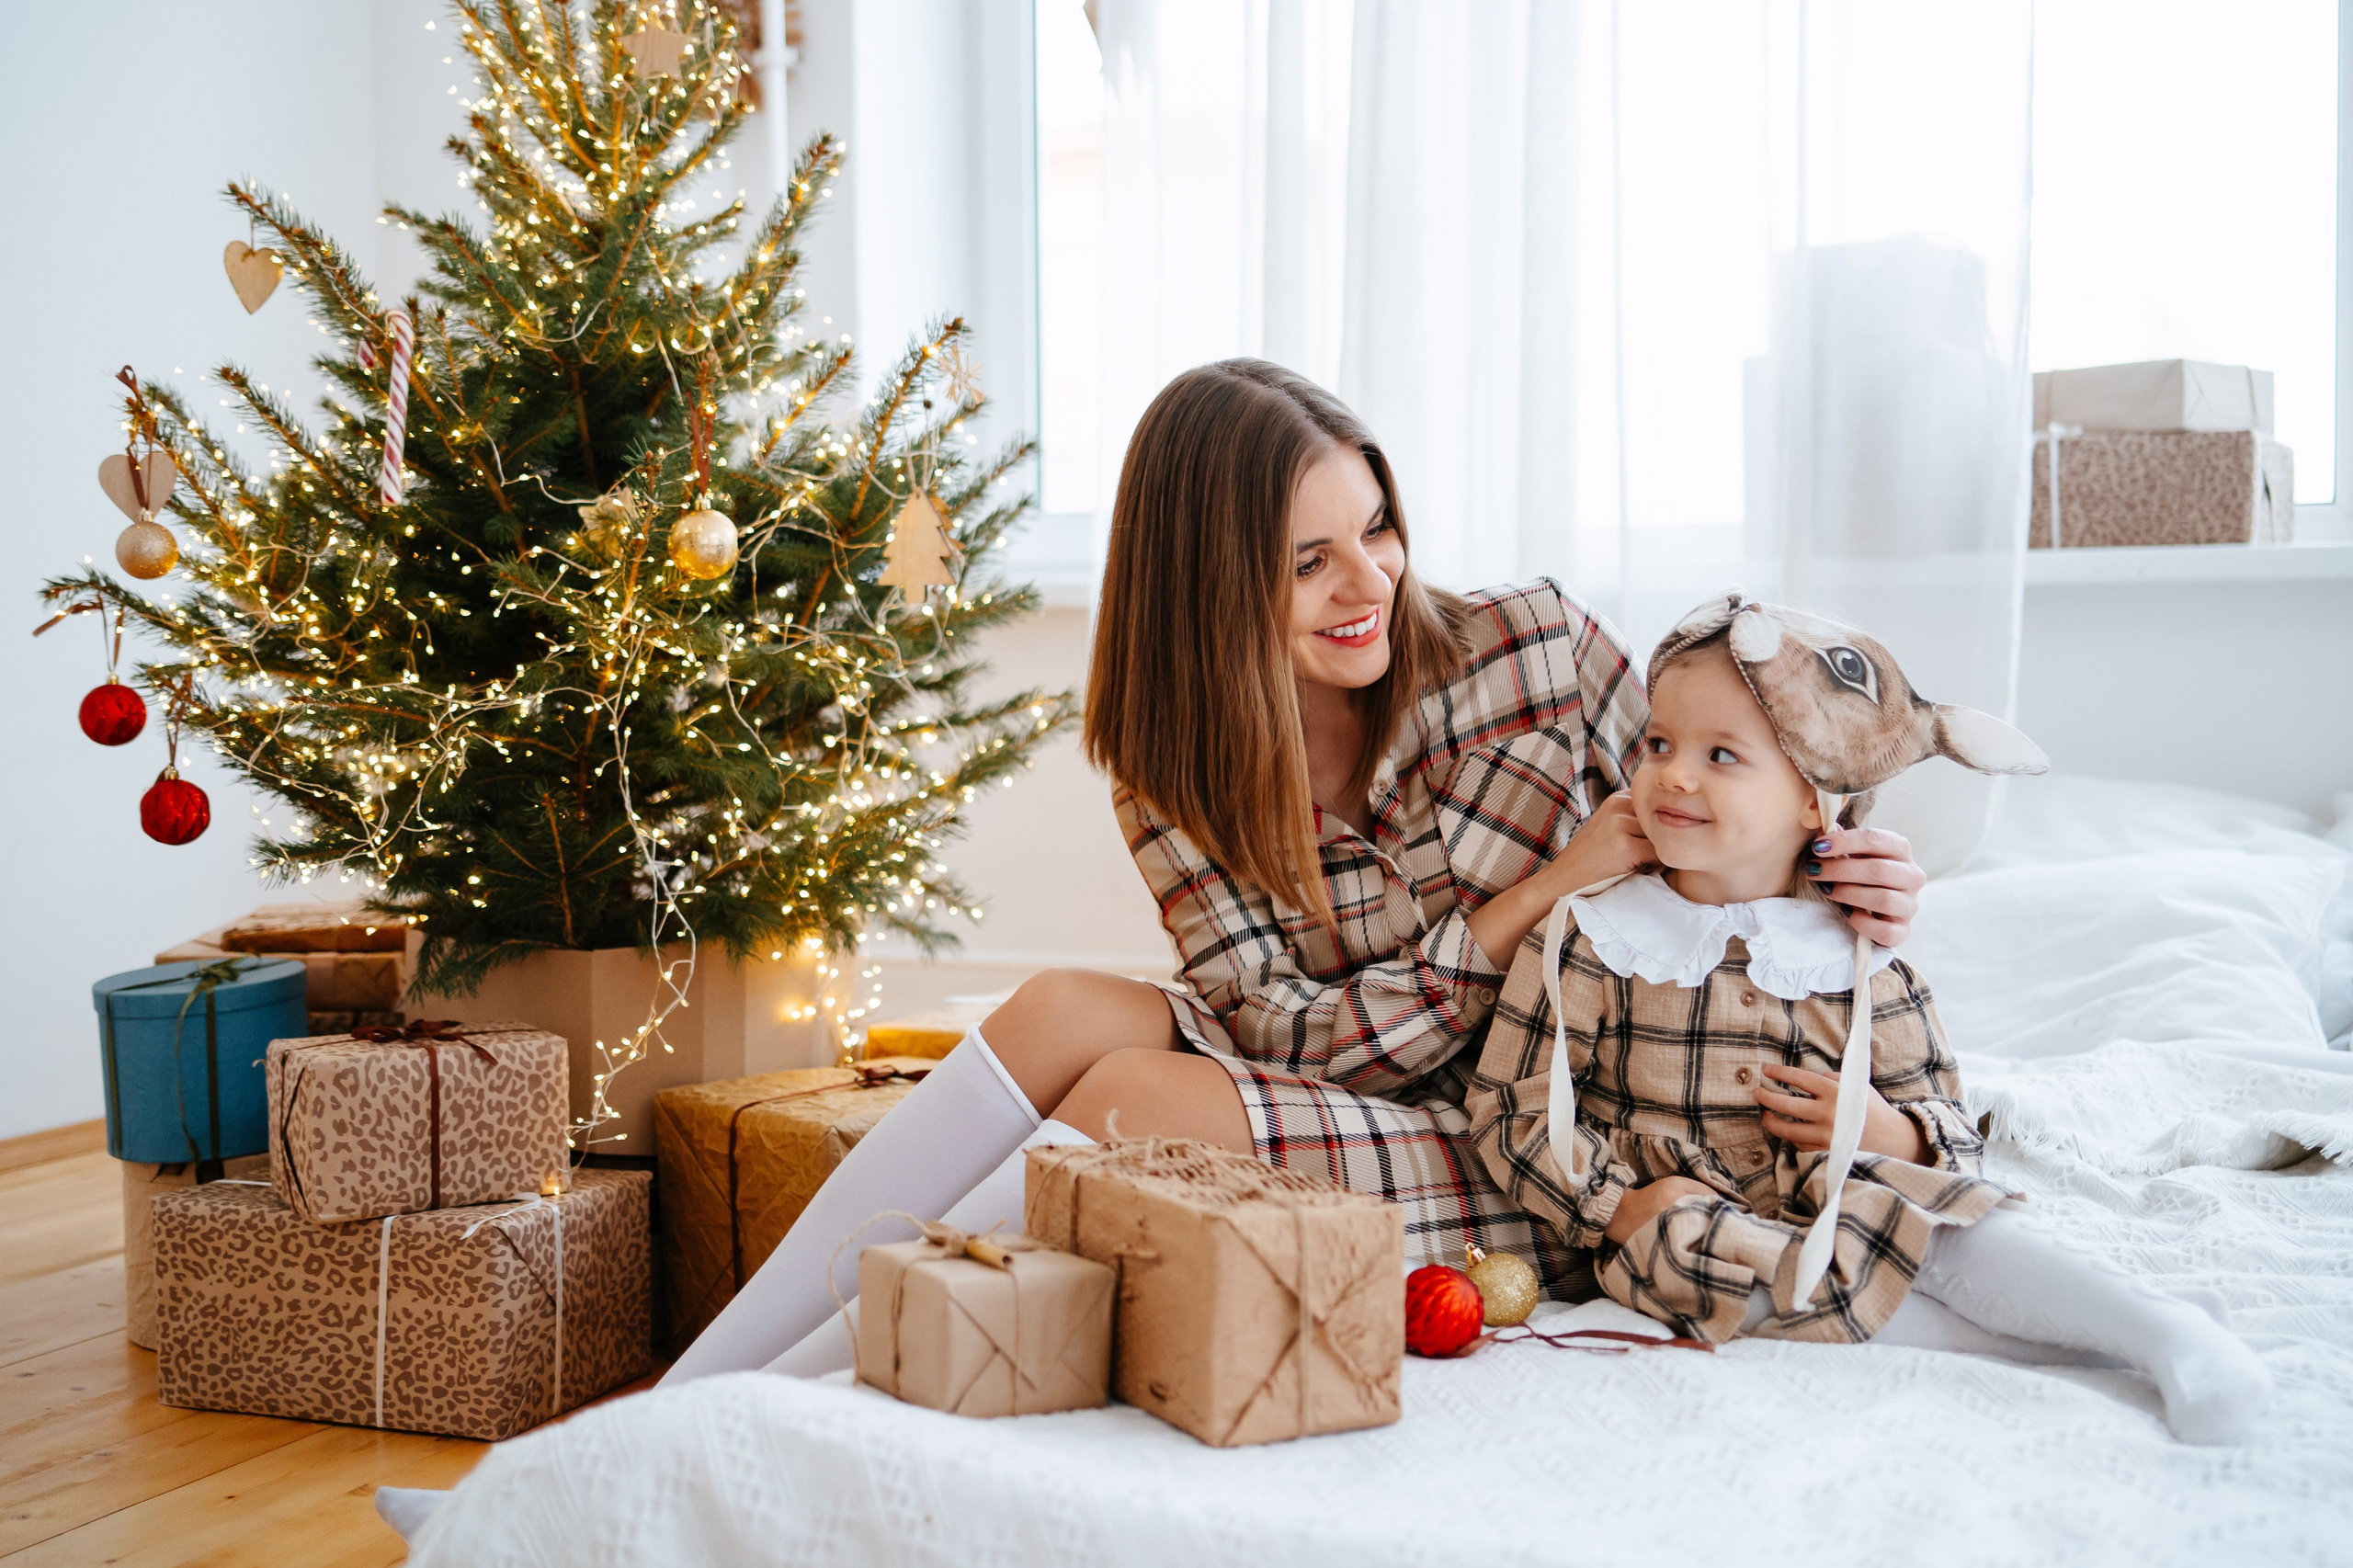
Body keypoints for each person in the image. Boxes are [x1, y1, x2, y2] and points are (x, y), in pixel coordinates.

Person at [661, 362, 1929, 1385]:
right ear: (1212, 586)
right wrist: (1531, 898)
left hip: (1528, 1130)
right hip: (1339, 1068)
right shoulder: (1170, 771)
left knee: (1126, 1095)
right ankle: (711, 1381)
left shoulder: (1532, 647)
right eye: (1308, 559)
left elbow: (1745, 776)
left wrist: (1853, 859)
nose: (1370, 581)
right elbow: (1284, 1034)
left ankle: (810, 1383)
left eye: (1375, 526)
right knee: (1056, 1011)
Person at [1465, 593, 2274, 1443]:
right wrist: (1617, 1206)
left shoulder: (1855, 952)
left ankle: (2159, 1328)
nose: (1674, 774)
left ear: (1815, 800)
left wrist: (1893, 1134)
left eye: (1722, 755)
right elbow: (1513, 1112)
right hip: (1685, 1219)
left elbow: (1948, 1124)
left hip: (1842, 1183)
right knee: (1714, 1272)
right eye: (1659, 745)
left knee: (1948, 1219)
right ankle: (2107, 1346)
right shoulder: (1592, 937)